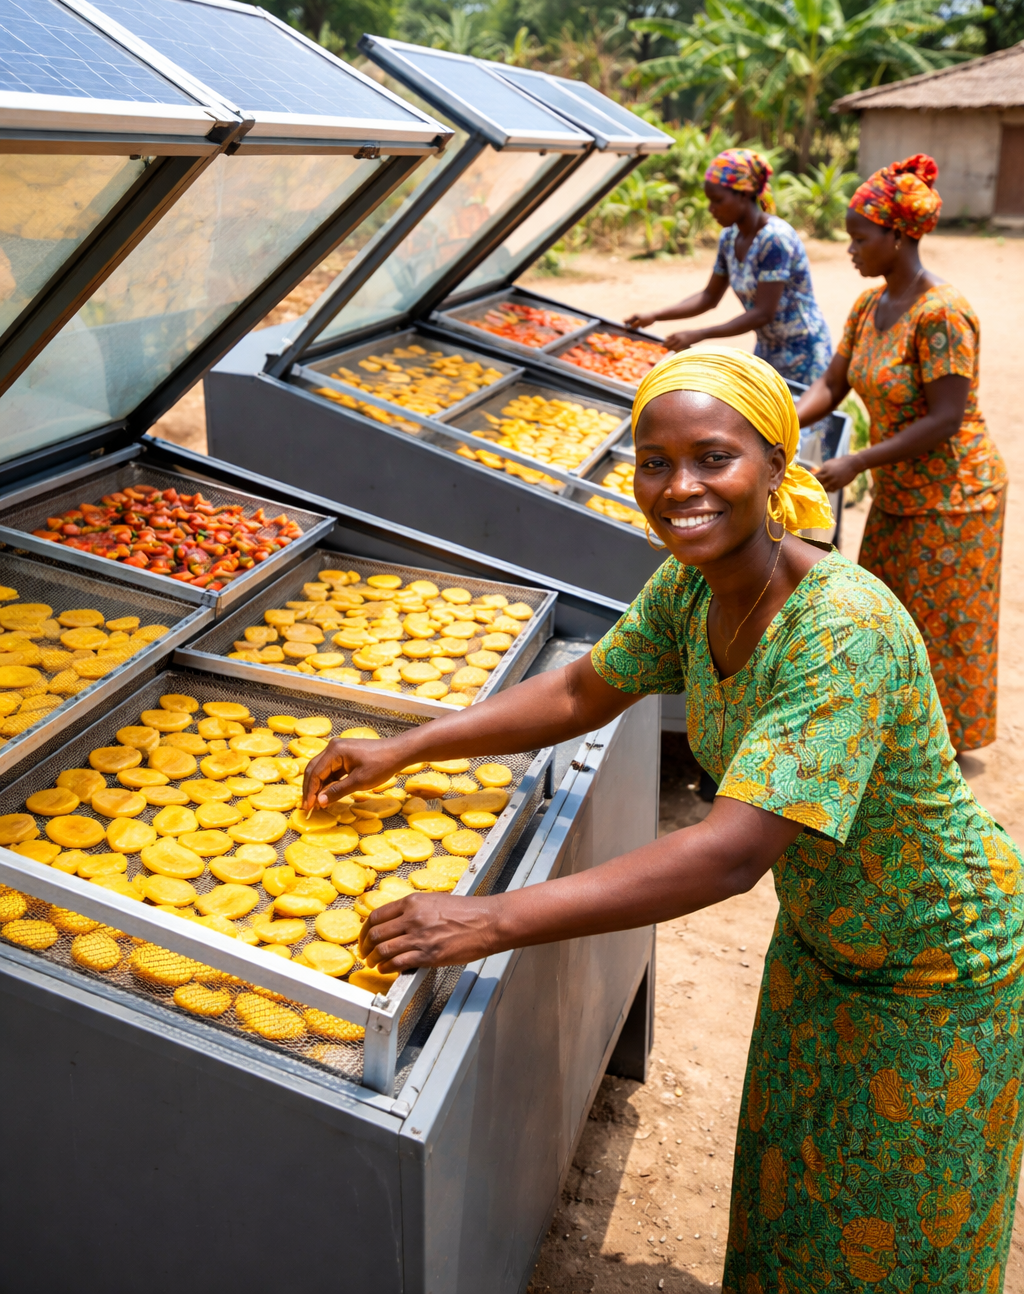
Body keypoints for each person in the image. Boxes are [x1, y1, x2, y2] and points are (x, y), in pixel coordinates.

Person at [303, 349, 1024, 1292]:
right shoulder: (695, 586)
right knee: (796, 1190)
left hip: (936, 965)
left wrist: (487, 919)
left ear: (775, 467)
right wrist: (408, 746)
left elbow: (731, 854)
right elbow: (577, 692)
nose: (680, 487)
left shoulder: (840, 627)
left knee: (894, 1229)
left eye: (713, 458)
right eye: (654, 461)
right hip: (824, 945)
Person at [795, 153, 1007, 754]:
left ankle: (940, 750)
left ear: (897, 234)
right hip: (899, 491)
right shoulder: (868, 306)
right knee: (889, 617)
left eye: (860, 237)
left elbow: (944, 420)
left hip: (954, 496)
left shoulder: (942, 313)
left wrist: (856, 462)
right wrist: (776, 421)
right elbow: (831, 387)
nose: (851, 249)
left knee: (940, 623)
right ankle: (899, 737)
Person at [625, 149, 833, 387]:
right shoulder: (729, 238)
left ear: (744, 195)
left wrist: (700, 334)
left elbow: (763, 313)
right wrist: (655, 315)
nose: (711, 209)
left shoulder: (775, 239)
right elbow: (708, 297)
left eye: (718, 200)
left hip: (804, 350)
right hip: (768, 348)